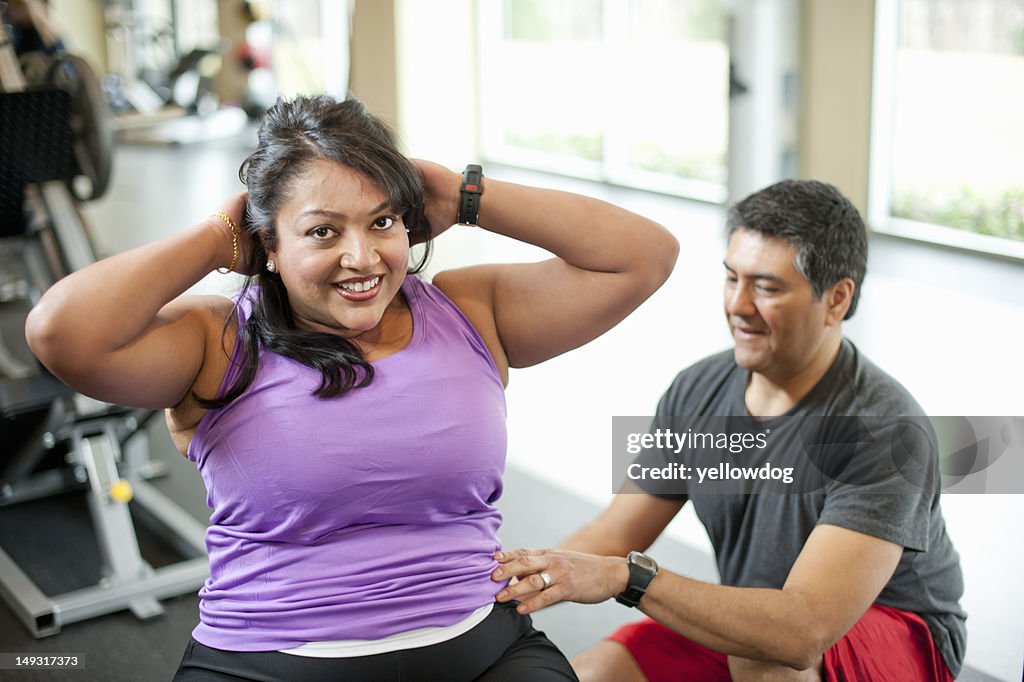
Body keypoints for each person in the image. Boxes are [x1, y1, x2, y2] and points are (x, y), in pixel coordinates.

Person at [24, 94, 678, 681]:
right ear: (267, 245)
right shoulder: (216, 339)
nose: (362, 258)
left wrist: (466, 193)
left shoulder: (470, 311)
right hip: (268, 662)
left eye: (383, 221)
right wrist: (215, 238)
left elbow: (643, 255)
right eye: (322, 231)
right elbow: (61, 334)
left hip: (480, 649)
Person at [490, 180, 966, 681]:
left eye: (766, 286)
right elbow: (614, 534)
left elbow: (802, 631)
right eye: (731, 278)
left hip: (894, 633)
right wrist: (500, 594)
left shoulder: (885, 431)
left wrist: (628, 578)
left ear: (837, 299)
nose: (738, 306)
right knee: (596, 672)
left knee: (767, 658)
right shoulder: (700, 390)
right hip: (760, 619)